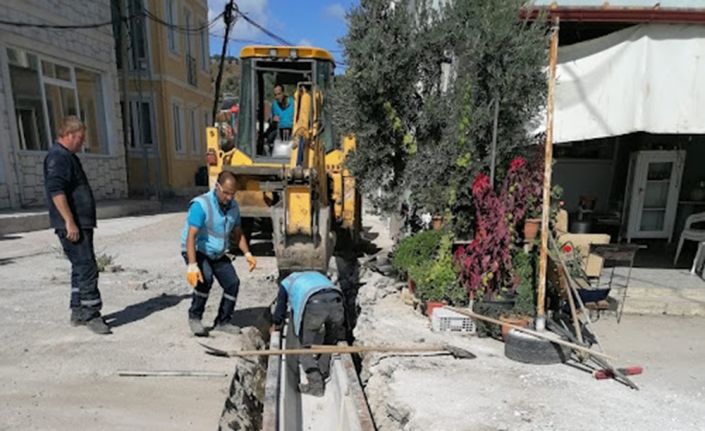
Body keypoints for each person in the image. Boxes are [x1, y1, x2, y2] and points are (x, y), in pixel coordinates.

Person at [43, 116, 110, 335]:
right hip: (73, 225)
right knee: (87, 267)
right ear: (69, 135)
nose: (82, 143)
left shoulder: (67, 156)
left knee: (79, 267)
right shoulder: (58, 157)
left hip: (80, 223)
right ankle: (91, 314)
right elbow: (56, 191)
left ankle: (78, 311)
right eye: (80, 138)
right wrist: (69, 221)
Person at [181, 171, 257, 337]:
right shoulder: (201, 205)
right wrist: (192, 265)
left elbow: (238, 233)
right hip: (197, 250)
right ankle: (195, 317)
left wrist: (248, 254)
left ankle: (223, 322)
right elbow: (191, 236)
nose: (229, 197)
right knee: (205, 278)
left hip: (217, 252)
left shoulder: (233, 207)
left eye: (232, 194)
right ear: (217, 187)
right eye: (226, 193)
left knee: (232, 283)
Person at [271, 271, 345, 397]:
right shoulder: (316, 276)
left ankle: (316, 385)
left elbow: (280, 309)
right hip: (337, 303)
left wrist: (276, 324)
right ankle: (322, 371)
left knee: (305, 347)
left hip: (315, 306)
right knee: (329, 343)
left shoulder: (286, 283)